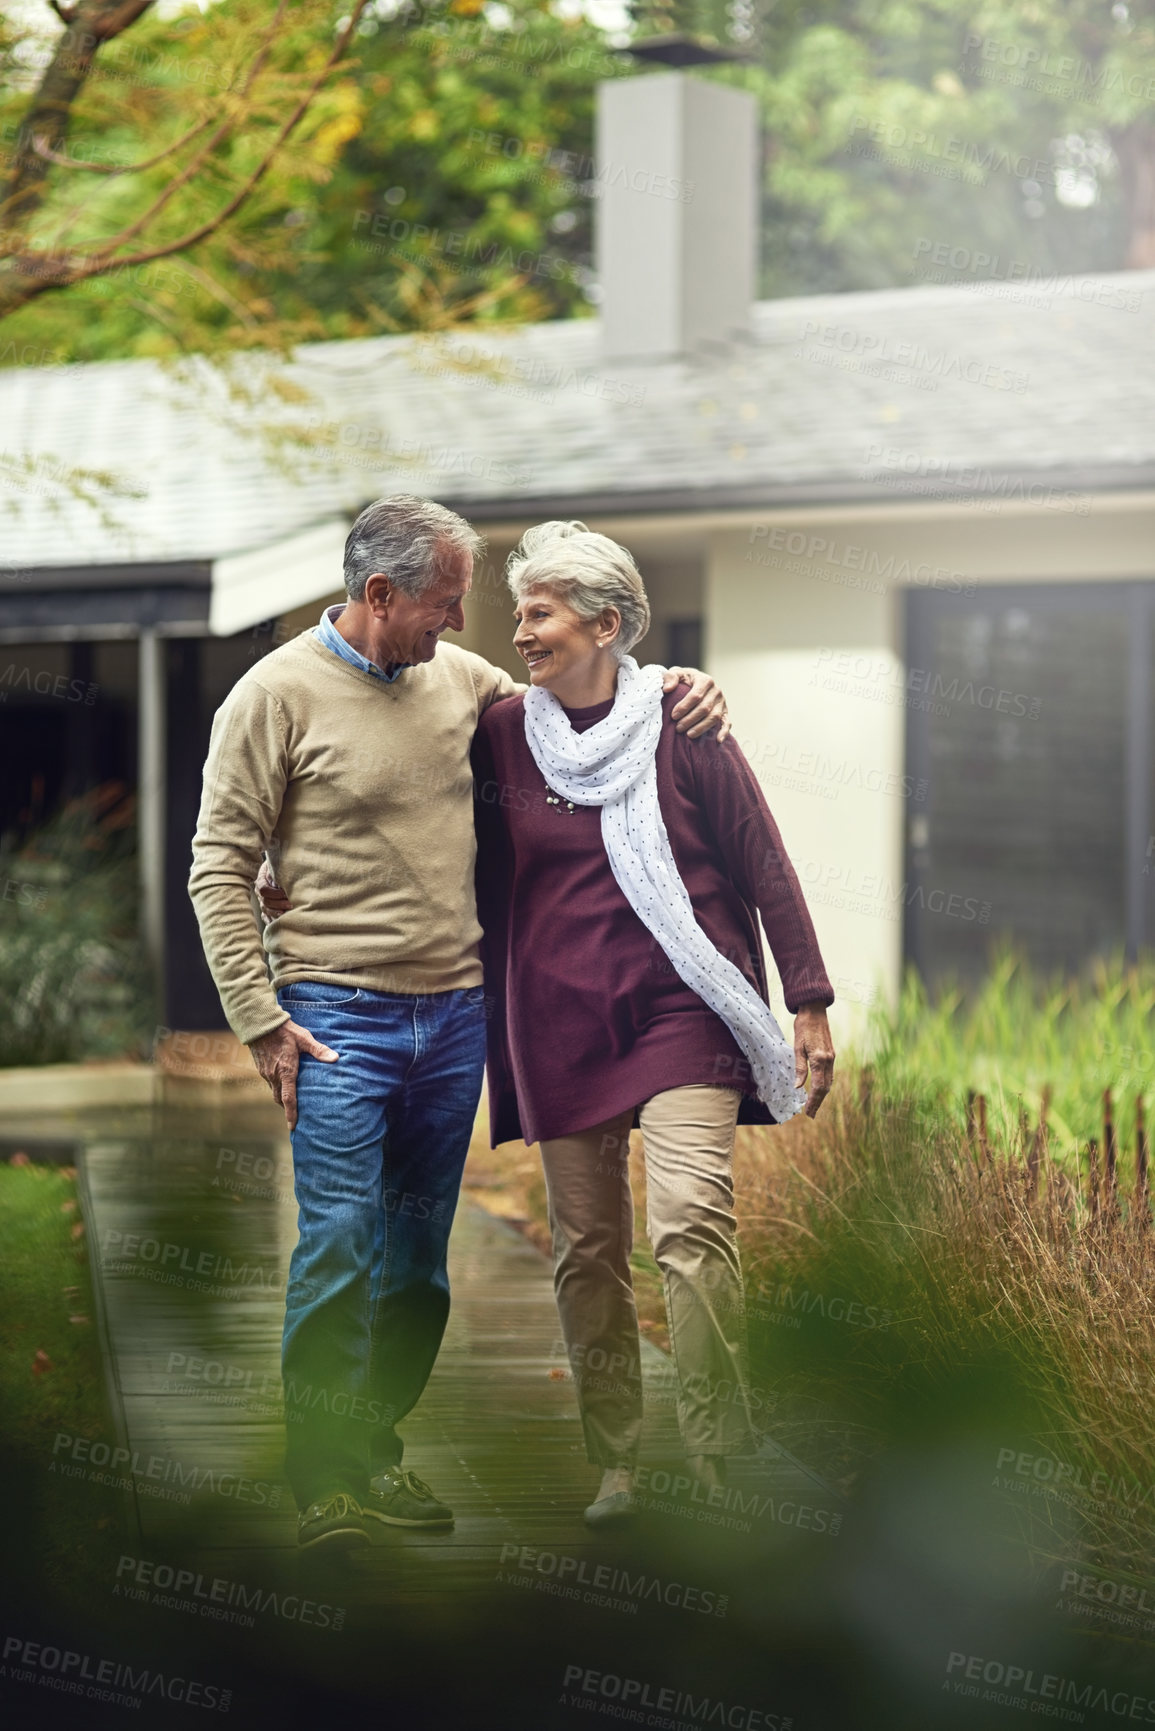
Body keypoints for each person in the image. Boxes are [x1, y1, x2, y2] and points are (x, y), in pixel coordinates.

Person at [188, 494, 728, 1551]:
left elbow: (585, 700)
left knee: (416, 1262)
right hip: (335, 1015)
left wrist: (680, 688)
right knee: (341, 1241)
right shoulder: (271, 697)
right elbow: (218, 864)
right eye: (444, 601)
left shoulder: (463, 685)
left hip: (454, 1020)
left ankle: (372, 1449)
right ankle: (321, 1476)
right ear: (379, 593)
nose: (462, 623)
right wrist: (258, 1017)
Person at [470, 520, 835, 1526]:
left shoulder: (683, 718)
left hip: (685, 1009)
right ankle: (617, 1463)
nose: (522, 631)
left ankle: (722, 1452)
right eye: (517, 612)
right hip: (559, 1022)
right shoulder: (501, 733)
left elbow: (761, 857)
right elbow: (424, 826)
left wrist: (807, 1000)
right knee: (586, 1249)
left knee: (690, 1225)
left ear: (607, 623)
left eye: (538, 612)